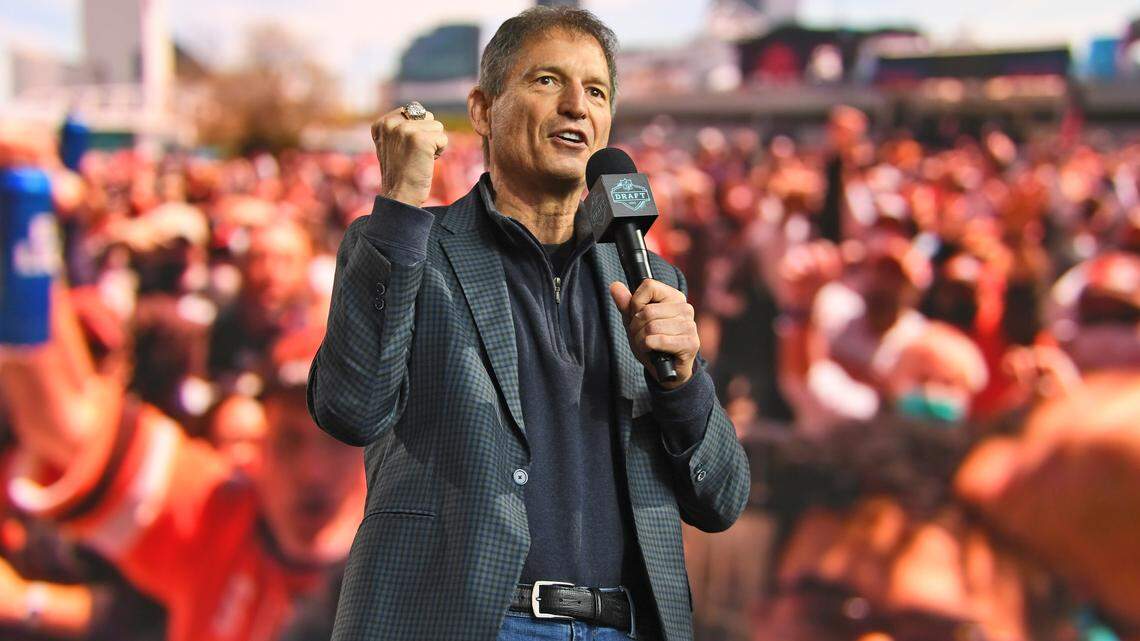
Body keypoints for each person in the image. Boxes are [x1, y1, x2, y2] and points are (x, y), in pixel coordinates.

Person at [306, 6, 750, 641]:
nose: (576, 105)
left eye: (595, 91)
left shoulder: (654, 283)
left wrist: (681, 386)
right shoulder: (409, 249)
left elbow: (723, 499)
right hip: (458, 621)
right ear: (484, 110)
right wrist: (401, 205)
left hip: (618, 624)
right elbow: (350, 408)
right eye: (547, 80)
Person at [0, 285, 364, 641]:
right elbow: (62, 425)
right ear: (261, 442)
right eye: (290, 439)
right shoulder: (216, 516)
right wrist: (24, 238)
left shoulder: (408, 557)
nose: (313, 471)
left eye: (340, 443)